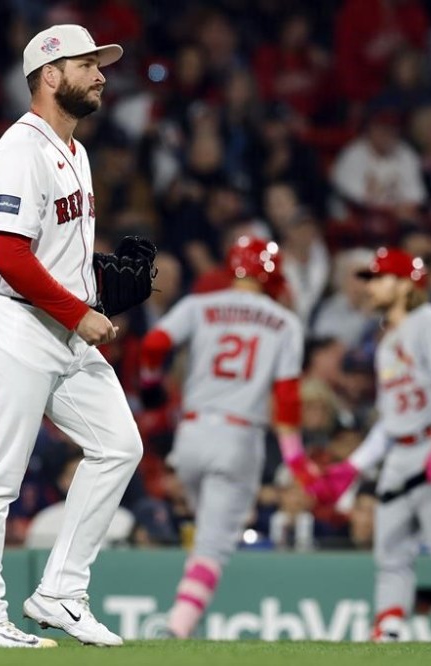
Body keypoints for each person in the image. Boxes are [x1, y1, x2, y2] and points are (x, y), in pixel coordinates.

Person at [0, 24, 140, 649]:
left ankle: (60, 591)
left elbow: (54, 254)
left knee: (119, 445)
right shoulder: (18, 149)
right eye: (89, 64)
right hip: (7, 318)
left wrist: (98, 298)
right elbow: (8, 255)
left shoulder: (76, 152)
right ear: (51, 75)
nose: (101, 74)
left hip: (56, 323)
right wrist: (76, 312)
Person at [309, 247, 431, 642]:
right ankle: (388, 631)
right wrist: (353, 467)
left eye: (379, 278)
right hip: (401, 453)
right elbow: (389, 423)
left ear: (406, 283)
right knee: (389, 550)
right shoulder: (388, 341)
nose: (371, 287)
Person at [138, 236, 311, 638]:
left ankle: (183, 612)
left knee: (205, 531)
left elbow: (154, 343)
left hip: (192, 435)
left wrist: (150, 386)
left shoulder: (200, 304)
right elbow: (286, 400)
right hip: (239, 436)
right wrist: (295, 458)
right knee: (213, 545)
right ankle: (178, 626)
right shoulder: (284, 321)